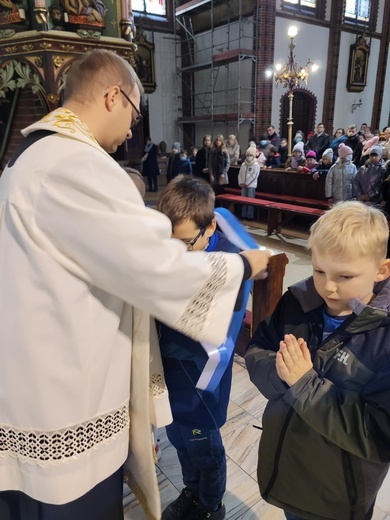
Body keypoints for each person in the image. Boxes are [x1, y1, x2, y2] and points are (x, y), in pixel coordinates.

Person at [0, 49, 271, 520]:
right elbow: (157, 268)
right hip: (66, 393)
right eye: (134, 111)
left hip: (34, 376)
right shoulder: (78, 166)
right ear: (112, 96)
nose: (131, 129)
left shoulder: (27, 163)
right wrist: (245, 265)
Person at [245, 201, 390, 520]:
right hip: (288, 466)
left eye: (345, 275)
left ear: (381, 270)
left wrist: (305, 383)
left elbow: (379, 434)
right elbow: (258, 348)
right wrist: (282, 374)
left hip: (339, 491)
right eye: (319, 270)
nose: (328, 286)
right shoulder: (299, 301)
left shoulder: (383, 337)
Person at [156, 176, 252, 520]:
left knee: (206, 450)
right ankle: (191, 492)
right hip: (170, 377)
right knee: (179, 443)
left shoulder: (230, 263)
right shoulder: (177, 251)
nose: (176, 254)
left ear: (210, 226)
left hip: (201, 381)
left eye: (185, 242)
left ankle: (211, 505)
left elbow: (206, 328)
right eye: (170, 244)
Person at [238, 146, 260, 220]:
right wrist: (241, 182)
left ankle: (250, 216)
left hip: (251, 185)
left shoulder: (256, 165)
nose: (249, 157)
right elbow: (240, 174)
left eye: (250, 155)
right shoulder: (243, 164)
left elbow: (254, 175)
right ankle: (243, 214)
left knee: (250, 201)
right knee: (243, 200)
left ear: (253, 156)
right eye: (248, 155)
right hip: (243, 185)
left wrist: (247, 183)